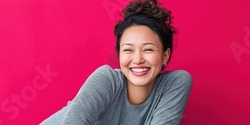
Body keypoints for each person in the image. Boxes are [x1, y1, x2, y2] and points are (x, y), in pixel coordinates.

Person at [41, 0, 192, 124]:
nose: (138, 59)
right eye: (128, 50)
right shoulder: (107, 79)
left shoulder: (174, 83)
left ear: (165, 56)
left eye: (148, 49)